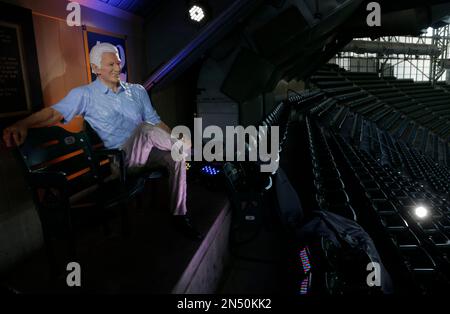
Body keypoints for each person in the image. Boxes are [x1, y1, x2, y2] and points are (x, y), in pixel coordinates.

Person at [2, 42, 202, 240]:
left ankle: (179, 215)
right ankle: (189, 151)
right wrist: (24, 123)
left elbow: (156, 122)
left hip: (148, 152)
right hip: (122, 160)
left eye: (118, 63)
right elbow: (54, 113)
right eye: (110, 64)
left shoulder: (137, 91)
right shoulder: (85, 94)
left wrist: (173, 137)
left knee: (175, 157)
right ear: (96, 68)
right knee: (147, 130)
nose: (117, 68)